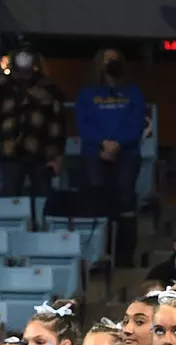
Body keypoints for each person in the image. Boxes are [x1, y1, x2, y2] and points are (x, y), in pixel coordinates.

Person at [73, 47, 145, 268]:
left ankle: (124, 257)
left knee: (125, 203)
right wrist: (102, 143)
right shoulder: (87, 93)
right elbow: (83, 124)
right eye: (107, 59)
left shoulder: (133, 92)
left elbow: (137, 122)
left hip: (127, 154)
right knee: (97, 203)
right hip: (94, 153)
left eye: (115, 59)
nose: (111, 63)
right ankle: (98, 257)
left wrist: (117, 144)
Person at [0, 43, 62, 218]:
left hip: (41, 154)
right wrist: (29, 97)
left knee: (45, 202)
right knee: (10, 200)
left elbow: (57, 123)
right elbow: (0, 110)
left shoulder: (48, 87)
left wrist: (57, 155)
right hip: (11, 153)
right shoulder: (3, 85)